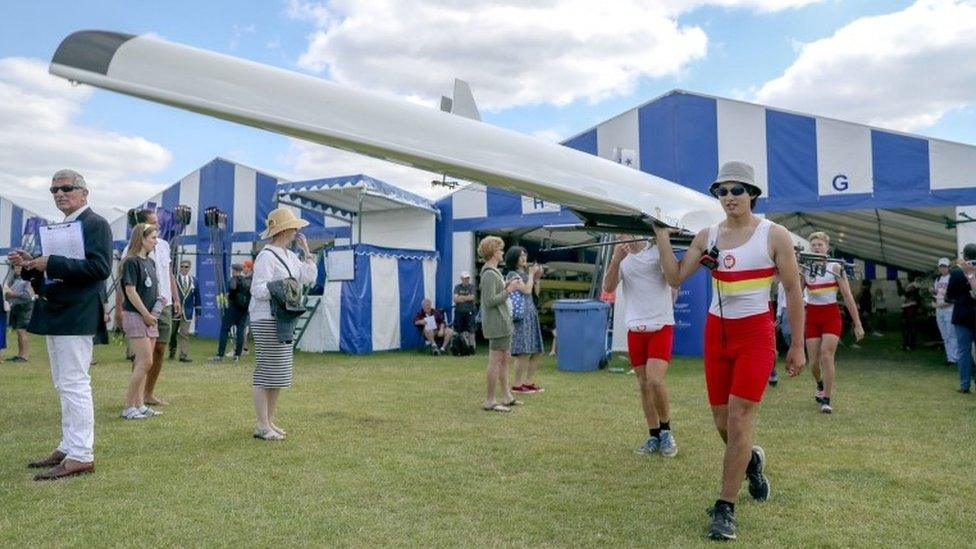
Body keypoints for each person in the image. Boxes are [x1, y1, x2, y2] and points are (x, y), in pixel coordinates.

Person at [655, 161, 805, 541]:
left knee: (739, 421)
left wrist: (798, 345)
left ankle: (725, 508)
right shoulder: (708, 235)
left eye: (737, 190)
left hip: (755, 335)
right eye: (722, 191)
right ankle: (751, 461)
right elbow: (674, 277)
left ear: (752, 194)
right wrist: (660, 235)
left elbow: (792, 291)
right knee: (723, 425)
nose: (729, 197)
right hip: (717, 335)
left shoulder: (776, 235)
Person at [10, 169, 112, 480]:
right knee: (63, 384)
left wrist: (49, 262)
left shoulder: (96, 224)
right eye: (54, 189)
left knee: (74, 384)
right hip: (58, 310)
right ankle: (69, 446)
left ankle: (81, 454)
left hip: (77, 313)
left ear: (84, 192)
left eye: (66, 187)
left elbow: (100, 267)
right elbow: (54, 274)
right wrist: (30, 266)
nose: (59, 193)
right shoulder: (61, 226)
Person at [603, 234, 678, 457]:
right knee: (644, 384)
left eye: (622, 233)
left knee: (655, 380)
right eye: (616, 235)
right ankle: (653, 434)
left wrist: (664, 243)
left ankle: (666, 431)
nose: (619, 237)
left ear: (634, 232)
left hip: (660, 324)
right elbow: (608, 287)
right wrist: (616, 259)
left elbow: (673, 278)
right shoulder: (621, 256)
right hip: (635, 327)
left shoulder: (655, 250)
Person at [249, 208, 317, 440]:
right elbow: (257, 289)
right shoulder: (266, 256)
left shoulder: (290, 256)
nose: (297, 231)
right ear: (285, 230)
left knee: (279, 374)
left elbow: (309, 277)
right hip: (267, 318)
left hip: (284, 318)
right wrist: (282, 289)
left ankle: (269, 421)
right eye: (294, 227)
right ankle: (261, 424)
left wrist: (307, 251)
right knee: (266, 371)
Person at [114, 209, 178, 406]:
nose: (158, 227)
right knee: (143, 357)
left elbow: (168, 274)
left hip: (161, 305)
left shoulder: (161, 248)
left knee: (157, 351)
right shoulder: (130, 255)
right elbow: (126, 286)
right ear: (141, 229)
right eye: (153, 223)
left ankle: (146, 396)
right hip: (140, 308)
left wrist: (176, 298)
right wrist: (119, 309)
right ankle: (134, 400)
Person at [801, 232, 864, 414]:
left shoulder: (835, 267)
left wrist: (857, 323)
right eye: (813, 245)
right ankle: (819, 383)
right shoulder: (805, 268)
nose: (816, 247)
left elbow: (847, 295)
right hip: (812, 316)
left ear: (827, 247)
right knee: (813, 363)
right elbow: (796, 292)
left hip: (831, 315)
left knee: (826, 355)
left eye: (820, 244)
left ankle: (826, 399)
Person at [119, 223, 163, 420]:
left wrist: (156, 308)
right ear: (142, 238)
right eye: (153, 238)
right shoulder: (130, 261)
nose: (155, 241)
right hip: (136, 316)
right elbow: (130, 290)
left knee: (145, 362)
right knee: (145, 361)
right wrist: (145, 314)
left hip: (149, 317)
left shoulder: (151, 262)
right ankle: (128, 406)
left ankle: (139, 404)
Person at [478, 236, 521, 412]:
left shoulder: (492, 272)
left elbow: (496, 293)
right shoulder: (488, 273)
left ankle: (506, 396)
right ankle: (490, 400)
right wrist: (508, 290)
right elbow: (489, 301)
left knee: (504, 361)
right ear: (494, 252)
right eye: (500, 249)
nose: (503, 252)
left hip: (502, 323)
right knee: (495, 362)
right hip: (497, 325)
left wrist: (507, 285)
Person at [505, 246, 546, 394]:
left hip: (531, 314)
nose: (524, 258)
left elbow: (534, 292)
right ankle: (517, 385)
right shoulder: (512, 274)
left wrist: (536, 278)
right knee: (523, 351)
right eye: (520, 256)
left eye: (525, 255)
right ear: (513, 258)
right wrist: (530, 274)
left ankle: (528, 382)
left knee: (537, 350)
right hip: (521, 316)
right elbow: (526, 290)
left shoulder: (524, 274)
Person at [947, 246, 976, 393]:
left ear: (964, 256)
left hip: (962, 315)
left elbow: (949, 295)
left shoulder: (957, 273)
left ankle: (965, 384)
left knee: (963, 351)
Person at [213, 263, 251, 362]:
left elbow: (233, 288)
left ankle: (220, 354)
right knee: (240, 332)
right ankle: (237, 355)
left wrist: (229, 296)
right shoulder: (246, 281)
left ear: (234, 270)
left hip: (233, 309)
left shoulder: (234, 279)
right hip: (244, 310)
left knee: (224, 329)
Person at [169, 259, 200, 362]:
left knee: (184, 333)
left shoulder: (194, 280)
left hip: (188, 312)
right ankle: (172, 351)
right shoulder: (174, 279)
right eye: (182, 266)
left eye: (186, 267)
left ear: (189, 268)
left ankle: (183, 355)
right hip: (175, 311)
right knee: (172, 333)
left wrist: (198, 312)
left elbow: (198, 297)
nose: (183, 268)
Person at [4, 265, 34, 361]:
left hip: (25, 307)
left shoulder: (29, 280)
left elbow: (27, 296)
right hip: (16, 306)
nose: (17, 270)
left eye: (20, 268)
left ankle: (24, 356)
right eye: (16, 268)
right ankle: (20, 355)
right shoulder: (15, 279)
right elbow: (8, 289)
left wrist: (12, 294)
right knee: (18, 332)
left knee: (22, 331)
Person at [932, 258, 958, 366]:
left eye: (944, 266)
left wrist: (941, 304)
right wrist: (933, 293)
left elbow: (953, 297)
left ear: (948, 267)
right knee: (945, 335)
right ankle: (950, 357)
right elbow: (937, 294)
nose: (942, 268)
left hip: (949, 309)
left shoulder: (952, 278)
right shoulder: (937, 279)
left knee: (951, 334)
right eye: (941, 266)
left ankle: (954, 358)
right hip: (939, 309)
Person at [452, 272, 477, 349]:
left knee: (471, 330)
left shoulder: (472, 287)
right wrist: (466, 297)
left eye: (468, 278)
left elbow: (472, 297)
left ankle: (471, 346)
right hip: (459, 312)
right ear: (461, 279)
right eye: (465, 278)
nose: (467, 280)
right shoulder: (457, 287)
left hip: (470, 311)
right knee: (458, 329)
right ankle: (460, 345)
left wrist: (461, 297)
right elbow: (455, 299)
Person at [896, 275, 921, 351]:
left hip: (911, 308)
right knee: (905, 327)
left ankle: (910, 345)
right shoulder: (910, 285)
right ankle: (906, 344)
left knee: (910, 327)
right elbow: (901, 293)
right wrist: (899, 286)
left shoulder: (914, 285)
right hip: (907, 308)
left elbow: (905, 294)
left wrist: (899, 285)